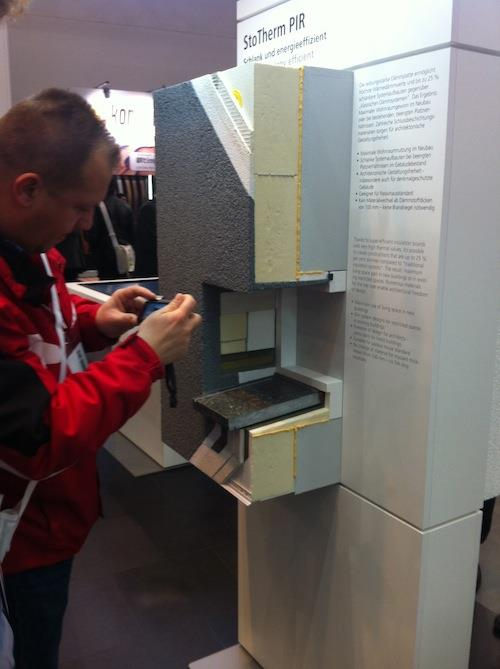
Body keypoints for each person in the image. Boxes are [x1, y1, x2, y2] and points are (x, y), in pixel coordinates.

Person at [0, 88, 201, 668]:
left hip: (51, 517)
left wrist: (96, 321)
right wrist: (143, 357)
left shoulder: (32, 250)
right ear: (27, 189)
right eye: (79, 207)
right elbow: (39, 432)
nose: (88, 224)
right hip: (18, 538)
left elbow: (39, 330)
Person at [86, 181, 136, 279]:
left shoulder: (98, 206)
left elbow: (93, 235)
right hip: (125, 252)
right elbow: (132, 233)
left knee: (107, 283)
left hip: (105, 255)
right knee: (124, 280)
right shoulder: (125, 206)